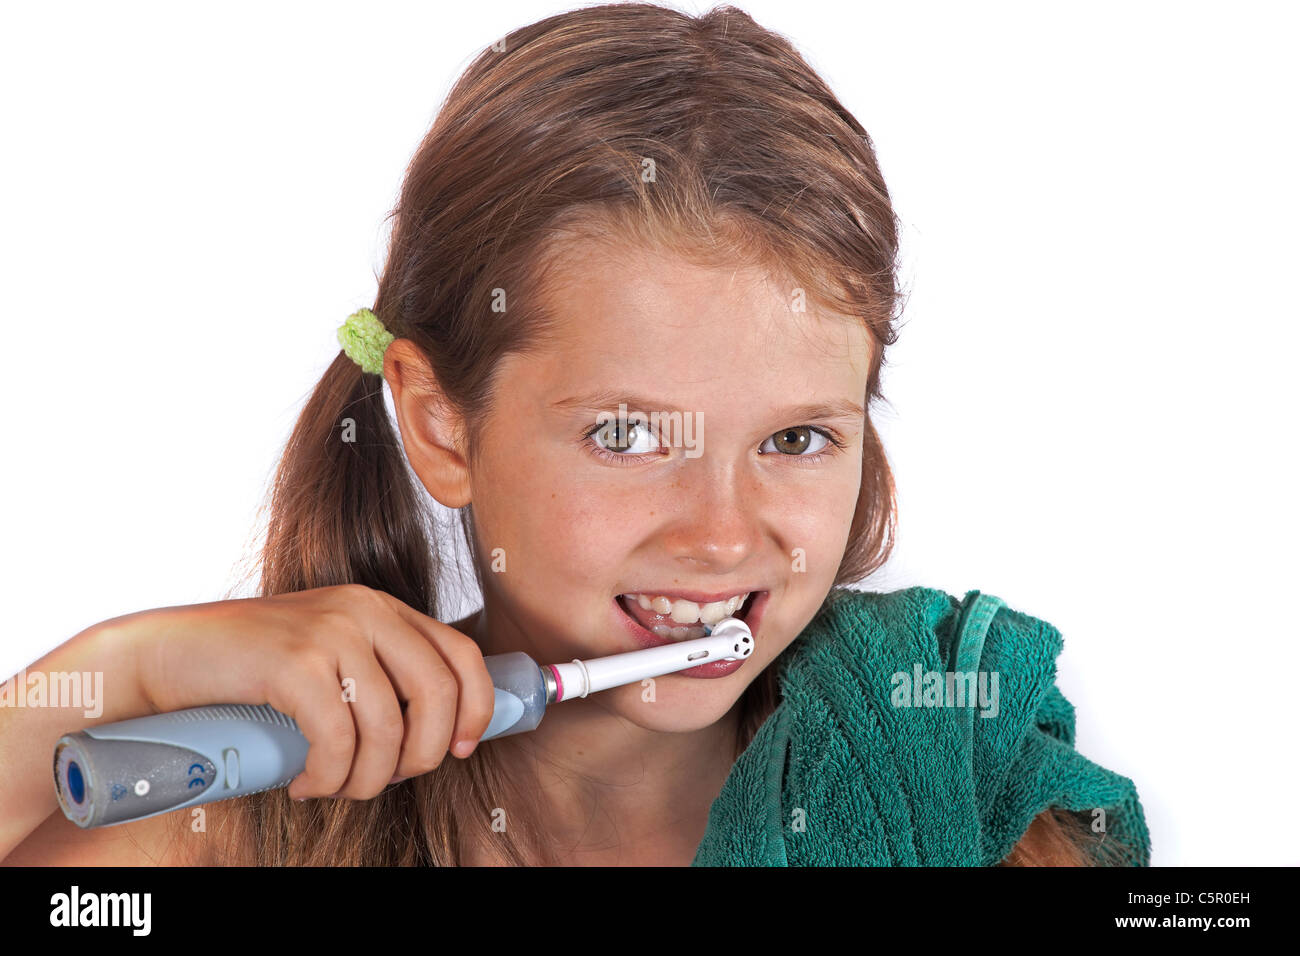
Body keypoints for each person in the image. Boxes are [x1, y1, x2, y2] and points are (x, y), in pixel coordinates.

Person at [0, 2, 1145, 867]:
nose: (719, 537)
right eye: (628, 433)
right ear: (440, 423)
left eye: (796, 440)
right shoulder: (239, 833)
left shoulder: (957, 777)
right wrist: (117, 668)